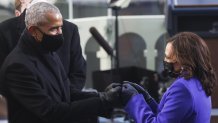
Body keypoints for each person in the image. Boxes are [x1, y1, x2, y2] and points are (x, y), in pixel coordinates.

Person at [0, 2, 121, 123]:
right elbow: (50, 111)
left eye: (60, 28)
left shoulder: (47, 51)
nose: (60, 34)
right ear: (34, 31)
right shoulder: (17, 66)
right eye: (54, 29)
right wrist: (102, 102)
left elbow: (66, 92)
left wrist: (105, 97)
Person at [117, 32, 217, 123]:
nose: (165, 60)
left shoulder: (182, 88)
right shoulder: (197, 81)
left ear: (183, 60)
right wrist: (146, 99)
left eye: (168, 57)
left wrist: (132, 100)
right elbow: (167, 116)